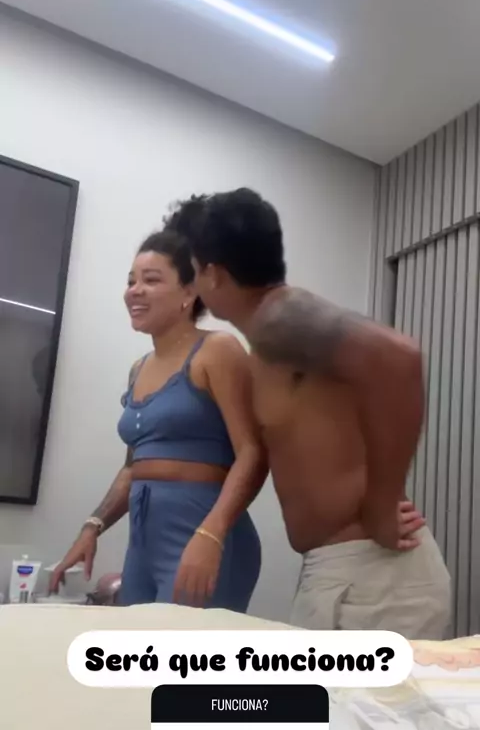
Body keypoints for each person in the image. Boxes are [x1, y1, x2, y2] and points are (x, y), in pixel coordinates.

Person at [163, 188, 451, 638]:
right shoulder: (267, 340)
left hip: (375, 574)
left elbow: (399, 359)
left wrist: (381, 504)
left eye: (193, 271)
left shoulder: (280, 318)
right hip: (340, 571)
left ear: (213, 274)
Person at [50, 228, 265, 609]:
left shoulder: (217, 350)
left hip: (203, 535)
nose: (134, 291)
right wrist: (92, 526)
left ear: (189, 292)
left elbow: (253, 452)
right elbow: (134, 466)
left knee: (184, 646)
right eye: (131, 281)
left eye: (150, 280)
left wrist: (212, 534)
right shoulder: (138, 369)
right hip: (143, 543)